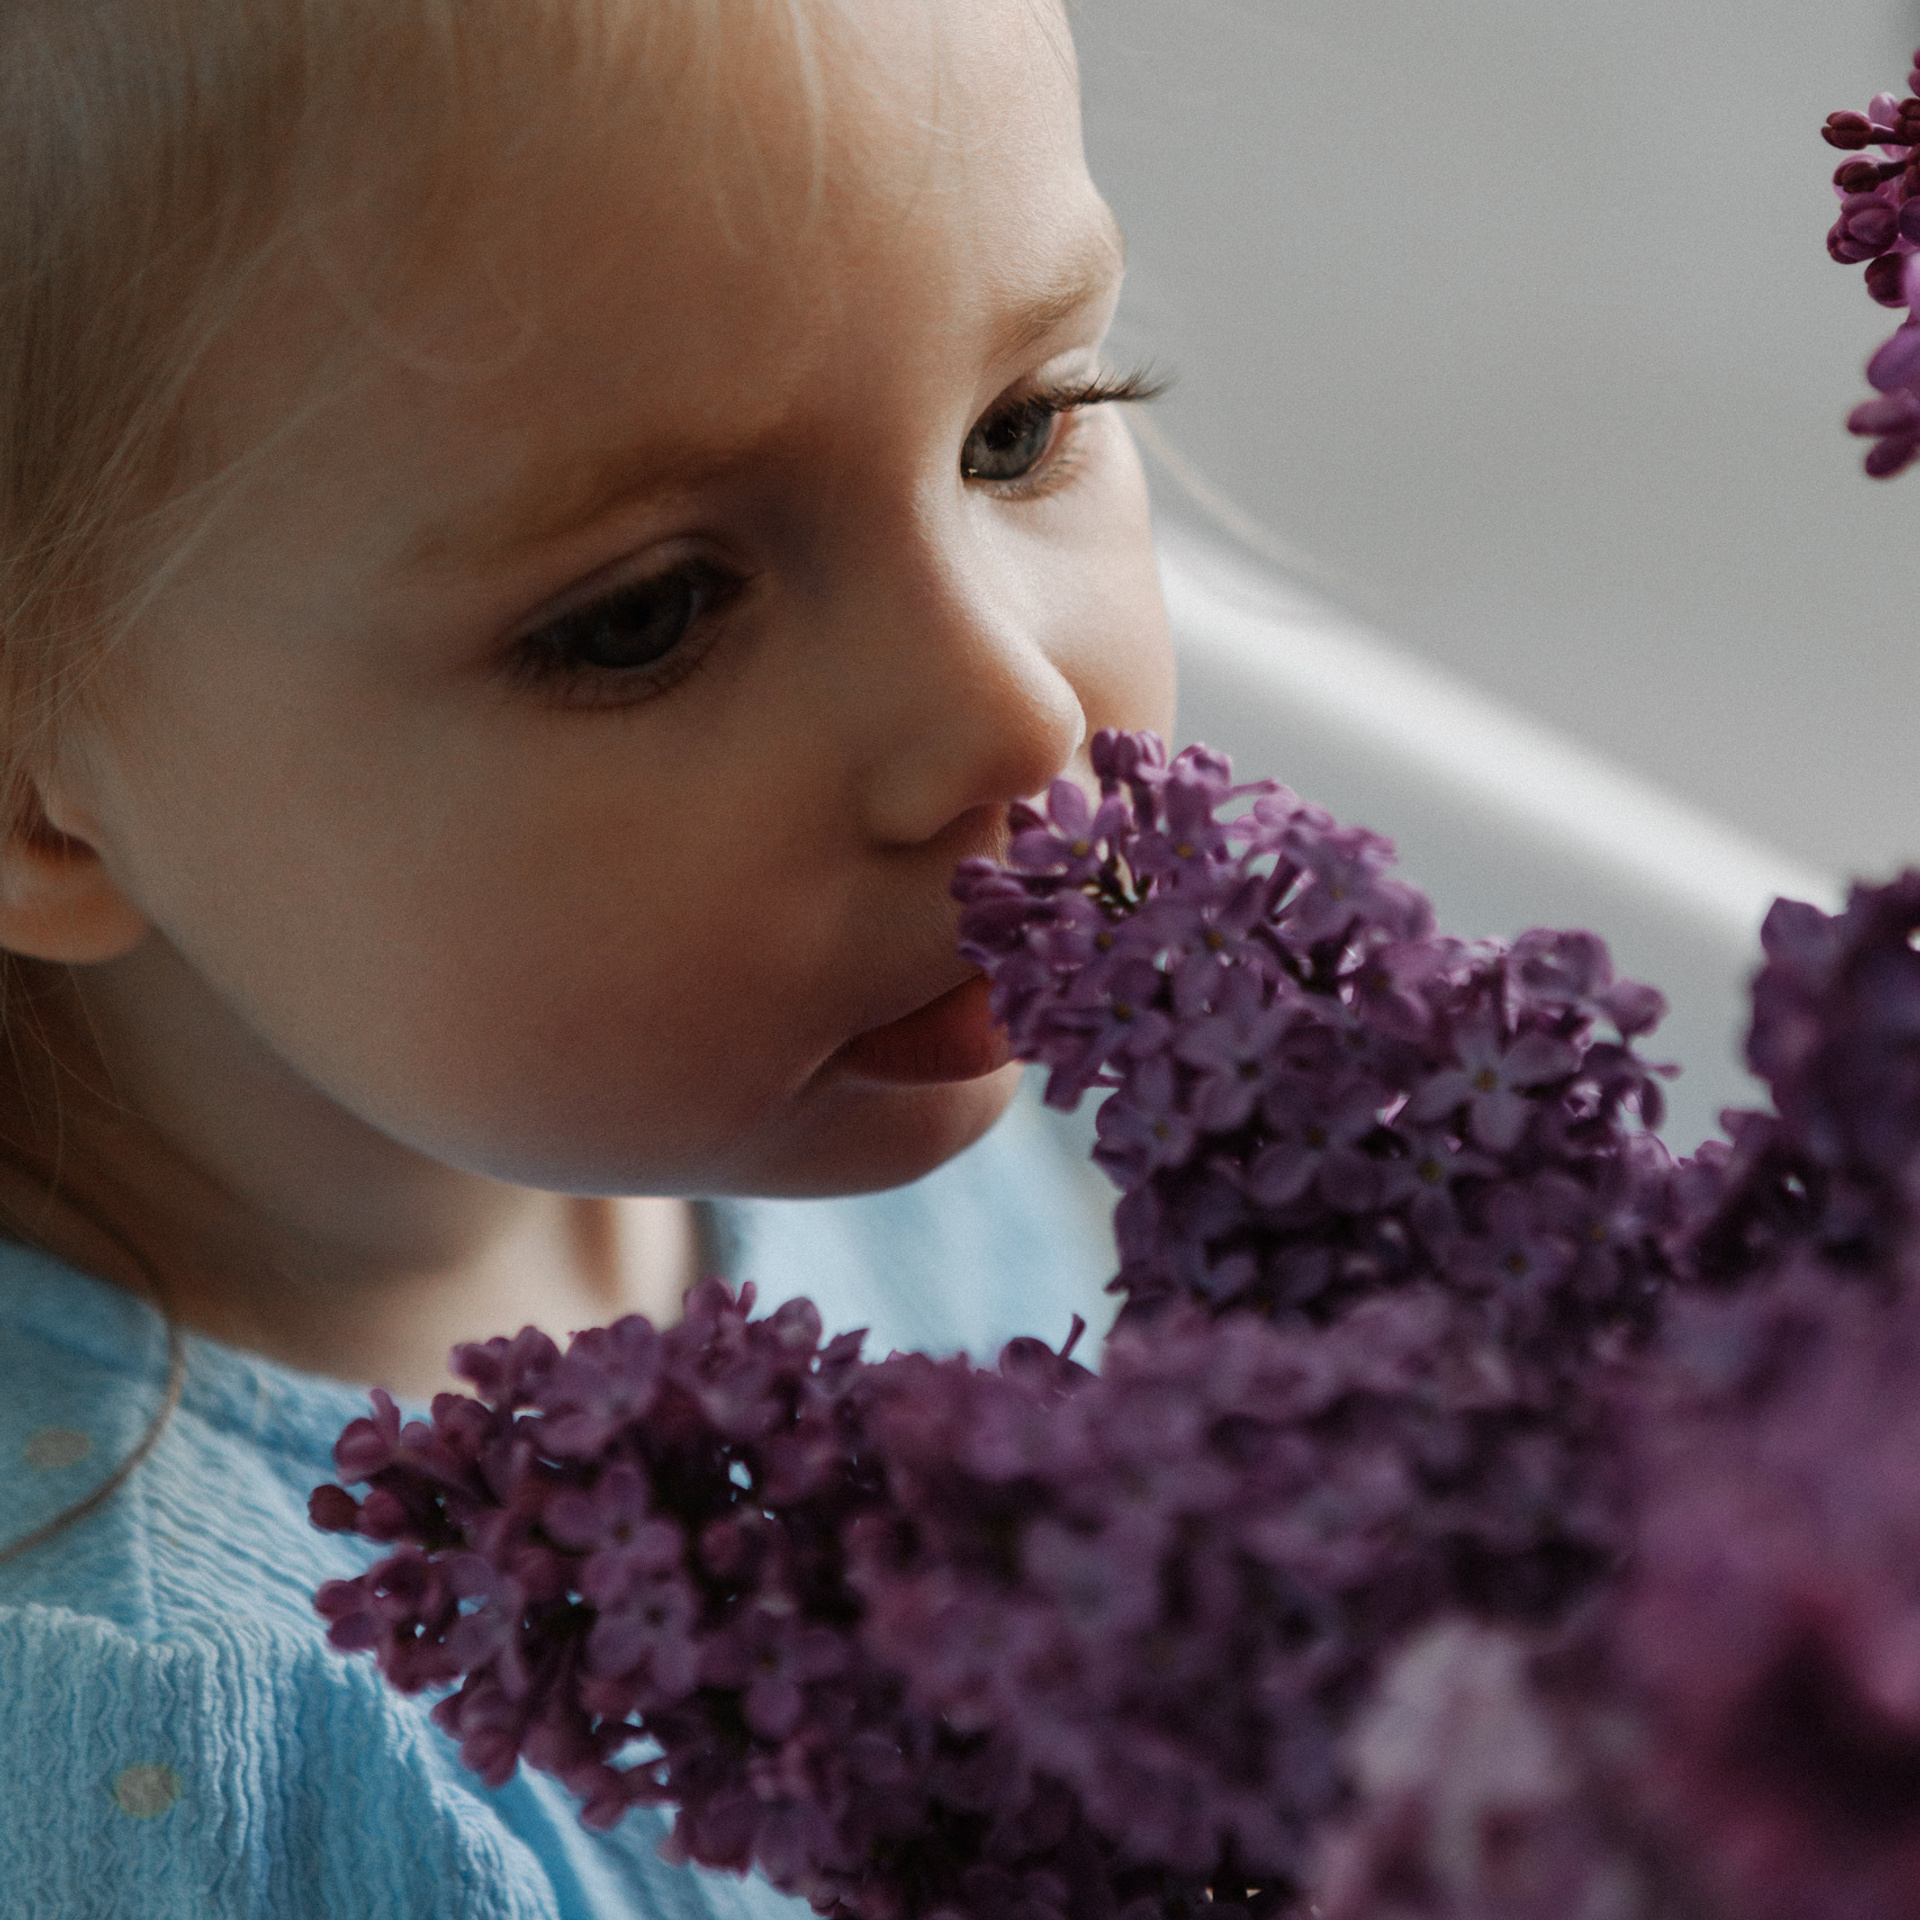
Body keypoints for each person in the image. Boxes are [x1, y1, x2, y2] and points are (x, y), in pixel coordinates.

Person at [0, 0, 1174, 1912]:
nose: (1019, 725)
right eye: (646, 618)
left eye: (1020, 429)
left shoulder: (846, 1054)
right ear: (36, 792)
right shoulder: (184, 1777)